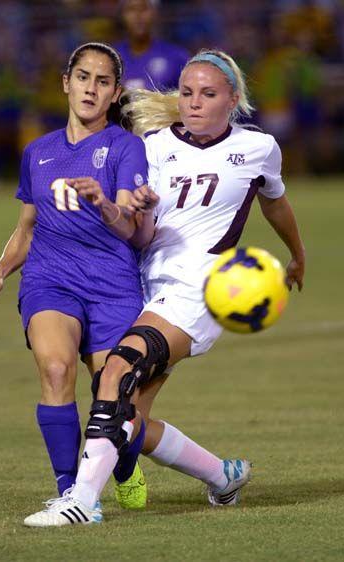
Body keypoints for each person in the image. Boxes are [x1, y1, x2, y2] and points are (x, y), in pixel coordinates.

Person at [23, 48, 306, 526]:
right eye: (188, 93)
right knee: (127, 422)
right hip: (143, 284)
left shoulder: (258, 148)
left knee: (116, 371)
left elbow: (275, 201)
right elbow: (139, 225)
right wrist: (137, 205)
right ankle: (223, 474)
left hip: (198, 292)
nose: (195, 103)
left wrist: (297, 254)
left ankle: (81, 503)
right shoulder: (153, 145)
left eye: (209, 94)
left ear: (233, 99)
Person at [0, 42, 155, 508]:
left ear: (116, 93)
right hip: (50, 279)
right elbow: (27, 228)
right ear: (66, 83)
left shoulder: (126, 147)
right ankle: (71, 491)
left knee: (113, 402)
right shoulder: (37, 152)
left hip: (111, 286)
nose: (90, 88)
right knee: (55, 369)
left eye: (101, 81)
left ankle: (126, 466)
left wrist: (104, 203)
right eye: (82, 77)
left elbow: (133, 231)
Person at [114, 0, 189, 91]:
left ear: (155, 13)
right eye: (131, 9)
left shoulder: (177, 57)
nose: (138, 15)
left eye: (144, 8)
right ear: (122, 15)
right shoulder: (111, 57)